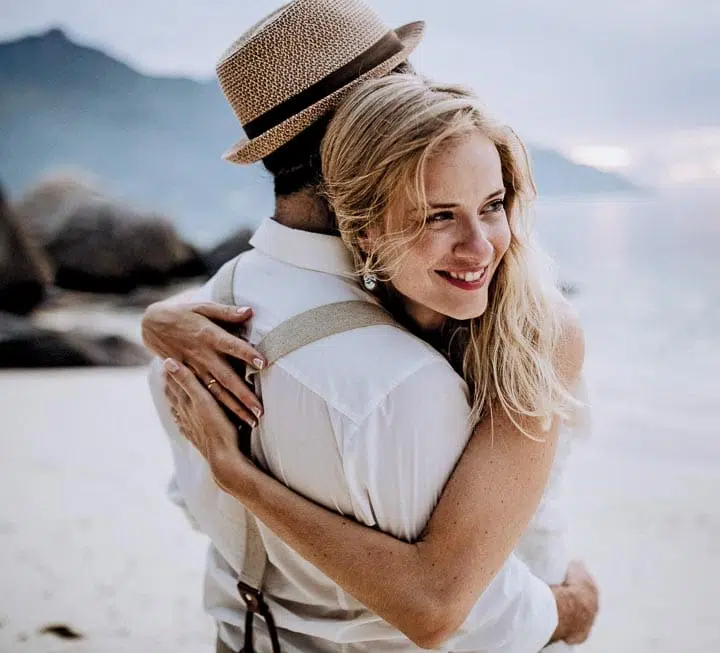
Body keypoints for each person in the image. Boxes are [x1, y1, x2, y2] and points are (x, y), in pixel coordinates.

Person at [144, 2, 599, 652]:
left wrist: (232, 466)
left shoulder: (217, 307)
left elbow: (197, 508)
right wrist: (564, 613)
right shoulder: (396, 384)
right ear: (359, 131)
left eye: (492, 205)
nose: (422, 97)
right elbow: (449, 608)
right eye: (403, 82)